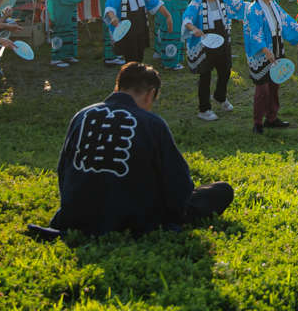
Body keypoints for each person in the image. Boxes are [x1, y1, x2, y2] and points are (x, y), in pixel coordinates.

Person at [41, 62, 234, 238]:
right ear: (150, 93)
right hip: (133, 218)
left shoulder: (82, 115)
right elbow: (179, 182)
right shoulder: (151, 123)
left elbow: (64, 170)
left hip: (76, 213)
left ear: (118, 86)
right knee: (221, 191)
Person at [243, 0, 298, 135]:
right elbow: (254, 33)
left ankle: (272, 118)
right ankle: (257, 122)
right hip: (262, 52)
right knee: (262, 89)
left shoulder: (274, 5)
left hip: (276, 47)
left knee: (274, 85)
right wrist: (265, 50)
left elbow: (287, 21)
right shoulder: (254, 9)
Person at [181, 0, 246, 121]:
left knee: (225, 70)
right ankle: (204, 108)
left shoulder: (223, 0)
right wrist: (194, 29)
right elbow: (187, 18)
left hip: (222, 41)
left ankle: (220, 96)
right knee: (205, 75)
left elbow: (240, 6)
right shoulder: (196, 3)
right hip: (204, 43)